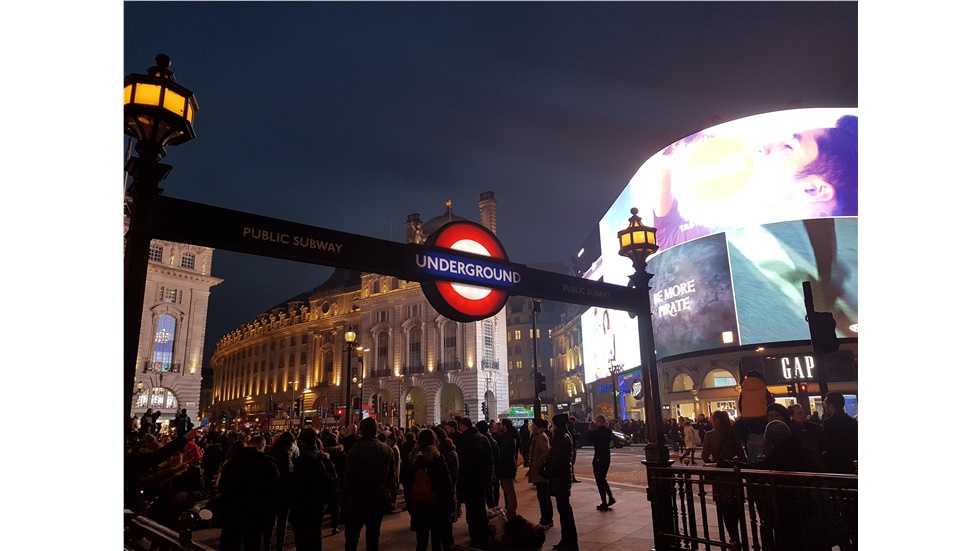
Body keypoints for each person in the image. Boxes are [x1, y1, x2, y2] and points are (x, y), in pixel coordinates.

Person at [641, 114, 858, 252]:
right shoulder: (732, 227)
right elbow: (667, 237)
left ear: (815, 190)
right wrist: (665, 165)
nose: (763, 147)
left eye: (789, 147)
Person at [218, 434, 280, 551]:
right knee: (253, 544)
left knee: (231, 544)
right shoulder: (267, 463)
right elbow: (275, 487)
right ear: (262, 445)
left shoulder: (232, 462)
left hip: (233, 511)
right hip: (256, 513)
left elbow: (222, 487)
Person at [343, 417, 396, 551]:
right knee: (373, 539)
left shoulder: (356, 449)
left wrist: (344, 499)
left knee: (351, 539)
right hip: (377, 498)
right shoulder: (387, 450)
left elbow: (349, 476)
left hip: (357, 498)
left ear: (361, 430)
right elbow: (391, 480)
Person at [404, 428, 456, 551]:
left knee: (421, 540)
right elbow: (446, 484)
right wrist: (450, 506)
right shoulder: (437, 458)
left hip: (418, 504)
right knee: (436, 540)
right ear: (434, 440)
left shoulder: (412, 458)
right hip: (436, 504)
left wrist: (409, 503)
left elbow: (406, 482)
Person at [700, 410, 748, 544]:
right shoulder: (733, 435)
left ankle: (733, 537)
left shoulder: (709, 435)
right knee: (736, 506)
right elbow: (742, 457)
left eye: (712, 418)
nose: (710, 420)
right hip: (733, 475)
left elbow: (704, 456)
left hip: (720, 476)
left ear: (717, 421)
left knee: (724, 508)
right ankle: (737, 534)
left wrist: (714, 464)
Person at [290, 428, 336, 551]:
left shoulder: (302, 459)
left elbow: (297, 484)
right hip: (317, 503)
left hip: (303, 504)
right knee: (315, 535)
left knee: (302, 537)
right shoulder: (320, 457)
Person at [453, 417, 494, 549]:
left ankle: (476, 539)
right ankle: (483, 537)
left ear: (463, 426)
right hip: (482, 481)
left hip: (470, 481)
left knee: (472, 512)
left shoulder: (465, 440)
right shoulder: (483, 438)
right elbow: (490, 459)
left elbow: (462, 463)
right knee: (480, 510)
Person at [545, 414, 578, 551]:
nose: (552, 427)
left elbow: (556, 461)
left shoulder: (560, 438)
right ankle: (568, 540)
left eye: (553, 424)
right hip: (563, 477)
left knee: (564, 511)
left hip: (561, 478)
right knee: (565, 510)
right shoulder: (565, 436)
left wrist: (546, 471)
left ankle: (568, 541)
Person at [264, 432, 295, 551]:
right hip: (283, 494)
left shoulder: (271, 452)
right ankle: (279, 547)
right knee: (282, 523)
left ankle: (267, 545)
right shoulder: (286, 455)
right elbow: (288, 474)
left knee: (269, 523)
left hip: (271, 492)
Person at [526, 417, 553, 530]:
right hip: (540, 470)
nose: (532, 426)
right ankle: (548, 519)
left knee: (543, 496)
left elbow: (546, 451)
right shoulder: (539, 436)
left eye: (534, 424)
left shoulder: (541, 437)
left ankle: (545, 520)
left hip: (541, 471)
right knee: (544, 495)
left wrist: (537, 463)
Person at [821, 392, 857, 474]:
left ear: (831, 405)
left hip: (836, 463)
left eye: (825, 403)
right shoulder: (852, 422)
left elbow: (829, 445)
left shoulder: (829, 423)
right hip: (851, 460)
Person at [788, 403, 826, 472]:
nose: (803, 415)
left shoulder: (814, 427)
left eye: (803, 412)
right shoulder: (792, 430)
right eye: (799, 413)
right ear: (792, 416)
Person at [589, 415, 615, 510]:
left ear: (597, 421)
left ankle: (604, 501)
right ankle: (610, 497)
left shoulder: (596, 432)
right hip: (607, 456)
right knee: (603, 478)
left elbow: (589, 440)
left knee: (599, 480)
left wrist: (591, 429)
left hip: (598, 456)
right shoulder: (608, 431)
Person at [495, 418, 520, 520]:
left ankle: (512, 510)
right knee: (508, 489)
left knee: (509, 490)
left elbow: (504, 454)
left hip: (506, 467)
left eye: (501, 424)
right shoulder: (509, 436)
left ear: (505, 426)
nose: (500, 426)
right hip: (507, 466)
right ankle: (511, 509)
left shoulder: (508, 438)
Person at [475, 420, 500, 510]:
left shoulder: (480, 441)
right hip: (492, 471)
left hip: (485, 472)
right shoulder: (493, 440)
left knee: (486, 496)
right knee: (491, 495)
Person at [567, 415, 581, 483]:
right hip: (572, 446)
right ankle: (572, 477)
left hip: (571, 446)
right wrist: (578, 434)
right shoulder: (570, 427)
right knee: (572, 462)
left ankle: (571, 476)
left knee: (571, 463)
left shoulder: (567, 426)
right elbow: (573, 436)